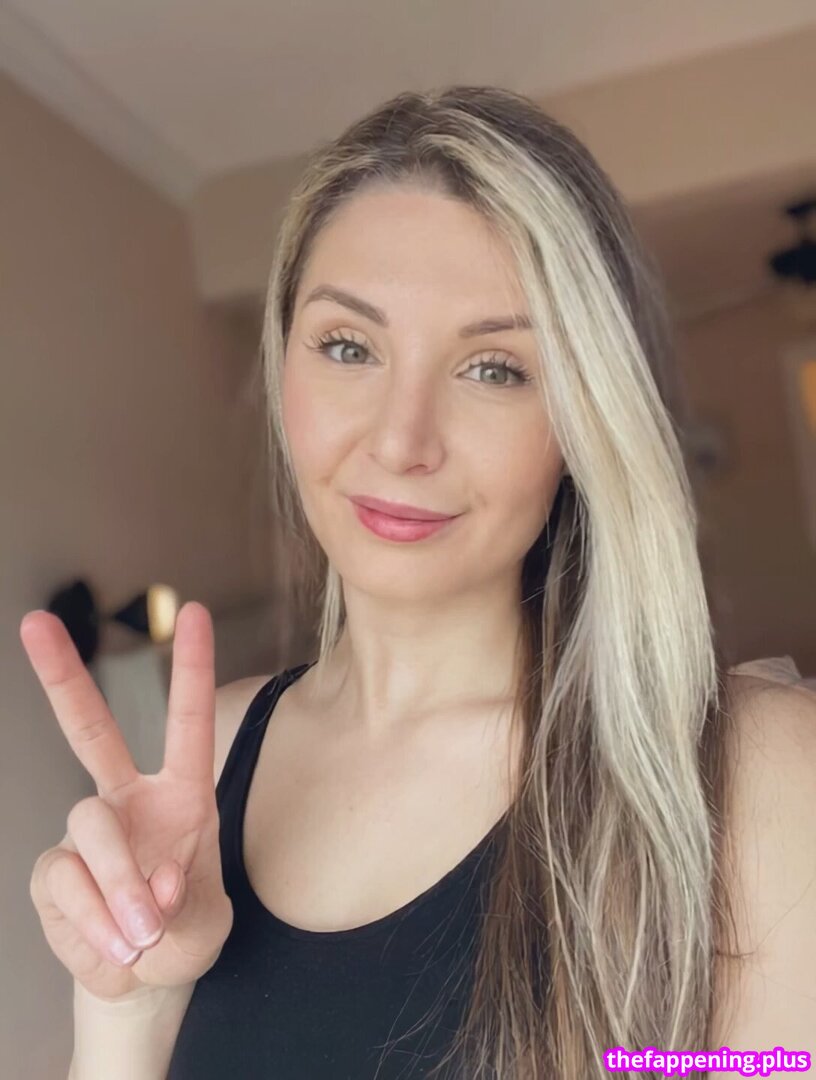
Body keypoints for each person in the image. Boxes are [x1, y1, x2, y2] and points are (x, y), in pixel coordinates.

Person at [22, 85, 816, 1079]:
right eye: (348, 347)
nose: (402, 442)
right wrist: (133, 1002)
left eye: (495, 368)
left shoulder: (755, 778)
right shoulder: (203, 761)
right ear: (283, 371)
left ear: (583, 417)